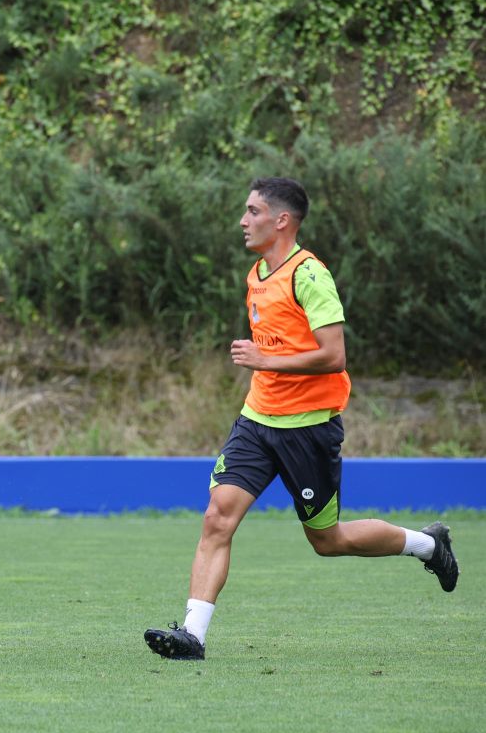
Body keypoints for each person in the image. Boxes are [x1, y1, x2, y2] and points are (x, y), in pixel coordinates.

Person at [144, 177, 459, 661]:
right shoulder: (256, 273)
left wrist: (264, 360)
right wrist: (265, 367)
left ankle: (427, 546)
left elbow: (334, 355)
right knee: (217, 518)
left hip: (308, 429)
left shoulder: (309, 275)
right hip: (256, 421)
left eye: (253, 211)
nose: (243, 221)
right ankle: (193, 636)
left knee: (327, 540)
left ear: (281, 220)